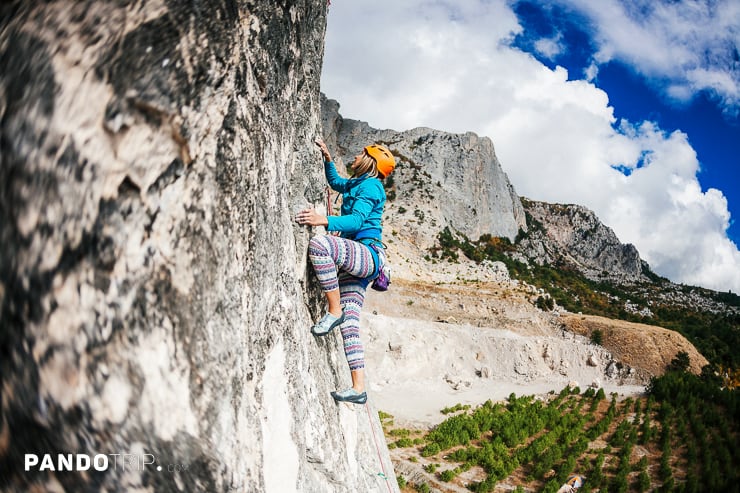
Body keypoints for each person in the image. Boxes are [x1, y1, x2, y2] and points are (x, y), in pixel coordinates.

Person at [295, 138, 396, 405]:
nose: (356, 154)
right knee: (350, 325)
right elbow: (336, 183)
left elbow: (358, 220)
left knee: (319, 244)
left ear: (370, 161)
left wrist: (323, 220)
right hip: (360, 263)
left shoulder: (372, 186)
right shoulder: (356, 183)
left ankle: (333, 310)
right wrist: (328, 158)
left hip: (367, 254)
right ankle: (358, 388)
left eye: (362, 152)